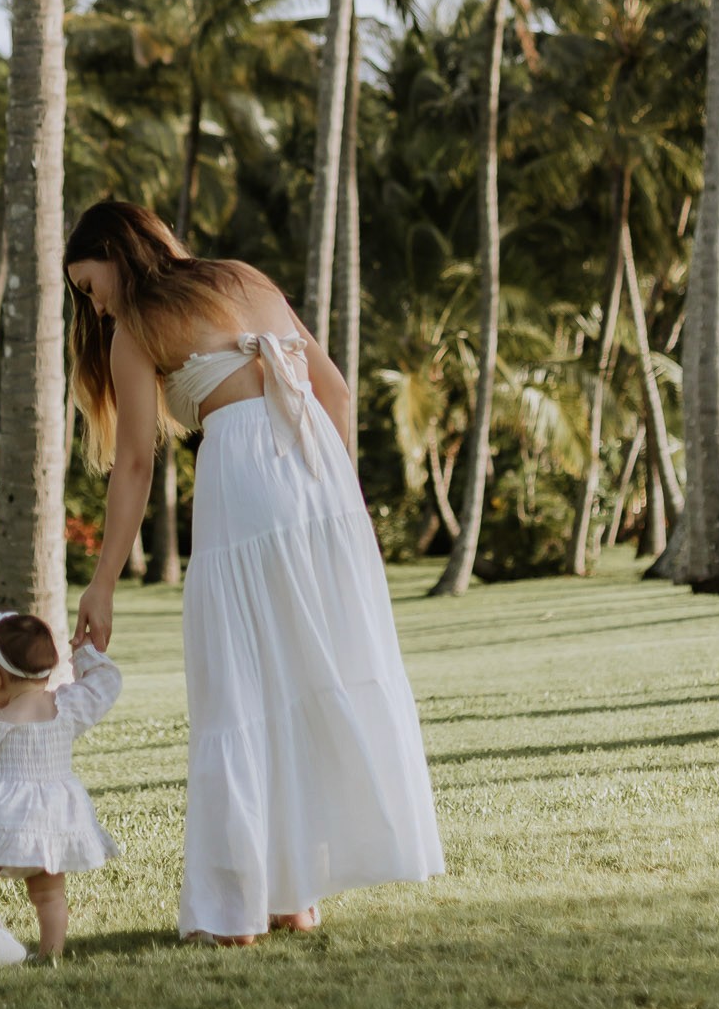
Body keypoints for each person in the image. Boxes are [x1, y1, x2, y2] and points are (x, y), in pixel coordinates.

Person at [67, 200, 442, 945]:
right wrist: (331, 495)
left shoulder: (138, 327)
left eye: (89, 282)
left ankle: (236, 909)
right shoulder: (242, 277)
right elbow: (331, 388)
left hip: (243, 478)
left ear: (117, 252)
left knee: (239, 685)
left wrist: (102, 581)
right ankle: (293, 897)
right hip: (319, 475)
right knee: (306, 675)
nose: (93, 302)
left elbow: (136, 465)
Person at [0, 609, 122, 966]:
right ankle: (50, 955)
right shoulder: (67, 707)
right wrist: (84, 651)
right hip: (54, 818)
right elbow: (106, 683)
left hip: (6, 818)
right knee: (50, 893)